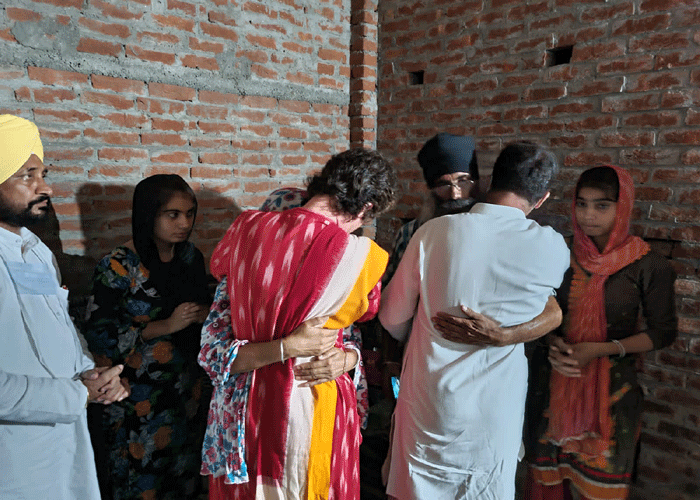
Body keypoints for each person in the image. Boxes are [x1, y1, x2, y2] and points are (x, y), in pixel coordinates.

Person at [199, 148, 397, 499]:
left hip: (246, 412)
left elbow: (214, 345)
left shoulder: (244, 229)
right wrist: (290, 347)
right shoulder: (362, 257)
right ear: (365, 208)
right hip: (313, 405)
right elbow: (361, 316)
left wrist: (348, 357)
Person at [379, 141, 570, 499]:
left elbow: (391, 316)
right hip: (495, 407)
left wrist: (421, 333)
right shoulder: (552, 247)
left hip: (431, 400)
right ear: (542, 198)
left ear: (488, 180)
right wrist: (505, 334)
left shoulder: (434, 232)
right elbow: (550, 310)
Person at [527, 166, 677, 500]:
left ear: (623, 207)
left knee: (600, 486)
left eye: (602, 205)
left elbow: (662, 333)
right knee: (549, 481)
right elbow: (537, 311)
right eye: (581, 204)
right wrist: (552, 342)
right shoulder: (559, 252)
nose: (588, 215)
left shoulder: (647, 264)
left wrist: (598, 349)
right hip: (554, 386)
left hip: (612, 395)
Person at [0, 114, 128, 499]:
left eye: (42, 174)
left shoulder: (36, 250)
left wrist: (89, 372)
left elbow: (59, 326)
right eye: (27, 176)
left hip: (62, 445)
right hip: (14, 459)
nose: (46, 188)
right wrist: (78, 396)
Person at [83, 174, 211, 499]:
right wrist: (166, 326)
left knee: (183, 478)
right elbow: (100, 337)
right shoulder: (118, 266)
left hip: (186, 392)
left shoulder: (190, 257)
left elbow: (204, 311)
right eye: (173, 214)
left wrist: (206, 314)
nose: (184, 223)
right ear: (148, 214)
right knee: (141, 482)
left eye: (189, 214)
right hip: (137, 397)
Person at [383, 132, 480, 284]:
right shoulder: (410, 234)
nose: (454, 194)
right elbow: (392, 286)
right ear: (431, 189)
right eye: (444, 184)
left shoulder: (494, 230)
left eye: (463, 181)